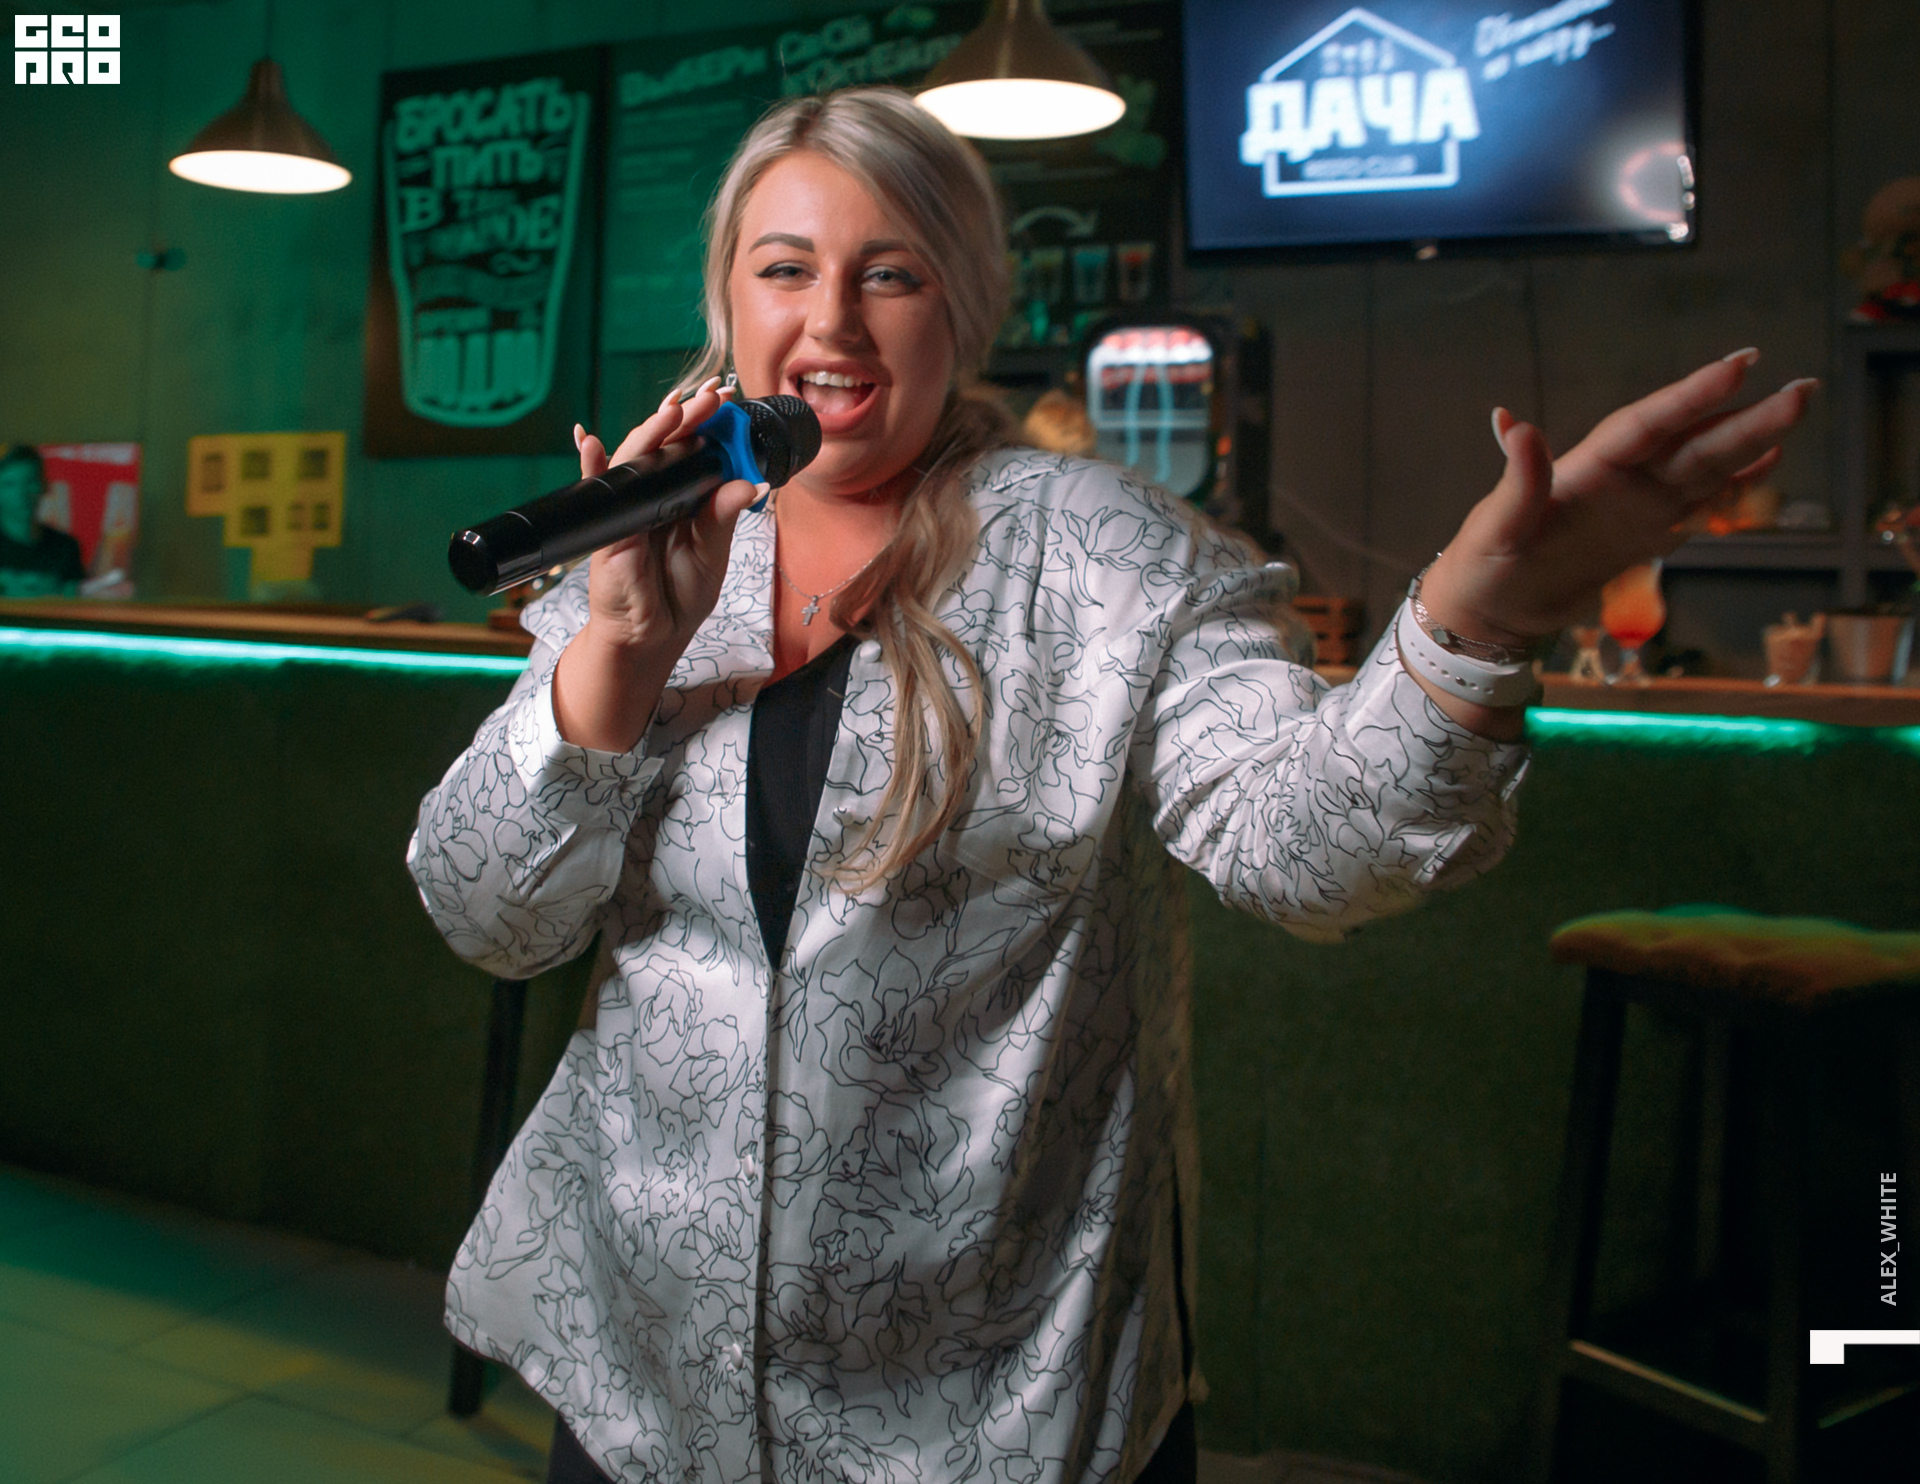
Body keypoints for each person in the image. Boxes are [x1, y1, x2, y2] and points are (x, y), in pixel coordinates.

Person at [408, 88, 1812, 1484]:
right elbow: (488, 918)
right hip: (647, 1384)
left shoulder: (1106, 554)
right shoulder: (649, 554)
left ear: (962, 305)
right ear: (728, 301)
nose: (831, 321)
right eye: (785, 269)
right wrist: (620, 649)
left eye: (888, 274)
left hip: (990, 1418)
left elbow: (1304, 845)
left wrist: (1474, 624)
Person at [0, 445, 84, 598]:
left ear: (44, 486)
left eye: (29, 482)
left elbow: (73, 604)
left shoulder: (65, 547)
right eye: (9, 484)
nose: (21, 494)